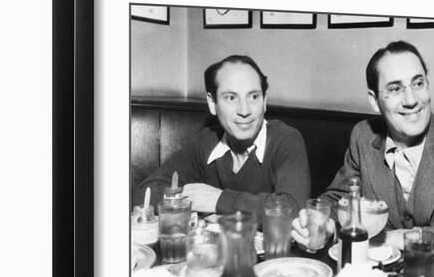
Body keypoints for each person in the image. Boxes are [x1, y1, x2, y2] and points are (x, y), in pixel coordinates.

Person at [292, 41, 434, 257]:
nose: (411, 100)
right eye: (395, 89)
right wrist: (324, 224)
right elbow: (343, 198)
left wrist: (405, 238)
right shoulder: (363, 137)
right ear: (374, 101)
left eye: (418, 83)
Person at [133, 54, 311, 218]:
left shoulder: (286, 140)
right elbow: (144, 195)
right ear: (212, 103)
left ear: (264, 101)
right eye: (231, 98)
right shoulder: (207, 140)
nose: (244, 110)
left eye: (254, 96)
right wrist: (194, 202)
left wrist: (218, 201)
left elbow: (294, 209)